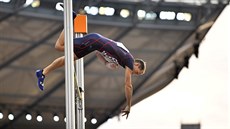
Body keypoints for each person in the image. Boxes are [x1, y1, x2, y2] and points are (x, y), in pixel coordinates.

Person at [35, 13, 146, 120]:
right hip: (93, 41)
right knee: (60, 46)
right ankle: (71, 20)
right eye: (137, 72)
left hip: (93, 45)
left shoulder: (122, 57)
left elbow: (99, 52)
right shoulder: (129, 62)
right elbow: (128, 85)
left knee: (68, 58)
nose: (134, 74)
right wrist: (129, 105)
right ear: (137, 65)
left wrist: (106, 63)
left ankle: (43, 73)